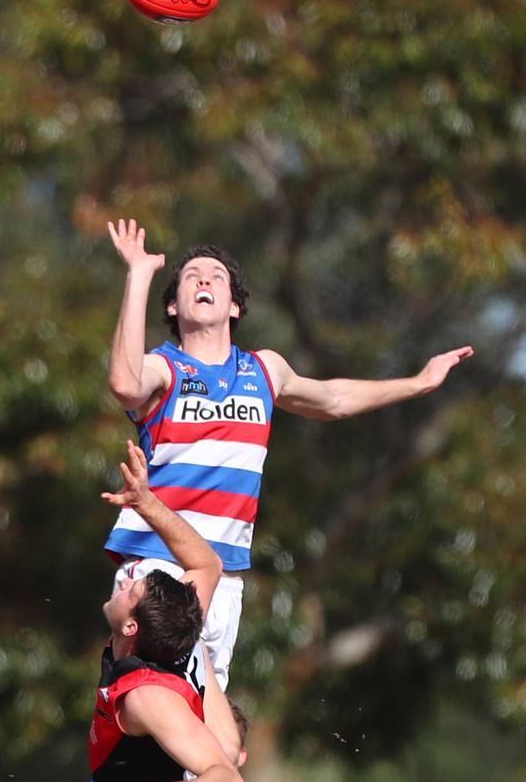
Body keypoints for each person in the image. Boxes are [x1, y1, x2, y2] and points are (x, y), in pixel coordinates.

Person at [104, 218, 474, 688]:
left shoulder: (265, 369)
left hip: (223, 572)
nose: (203, 279)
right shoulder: (164, 366)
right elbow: (124, 383)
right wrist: (138, 274)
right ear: (174, 305)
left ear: (234, 306)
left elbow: (333, 400)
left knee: (203, 718)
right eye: (190, 276)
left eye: (216, 276)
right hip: (158, 561)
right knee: (155, 699)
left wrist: (418, 383)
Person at [68, 440, 246, 782]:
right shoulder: (173, 623)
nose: (126, 582)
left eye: (133, 589)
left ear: (131, 626)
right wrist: (145, 501)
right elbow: (207, 565)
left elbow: (228, 781)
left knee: (223, 758)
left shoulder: (147, 698)